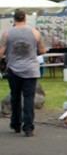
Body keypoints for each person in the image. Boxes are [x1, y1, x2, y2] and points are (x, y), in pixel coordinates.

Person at [0, 9, 45, 137]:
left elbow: (1, 52)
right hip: (30, 70)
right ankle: (28, 127)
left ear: (14, 20)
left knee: (15, 97)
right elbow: (42, 51)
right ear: (25, 19)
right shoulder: (35, 33)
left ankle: (16, 123)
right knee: (29, 98)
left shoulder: (7, 34)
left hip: (13, 69)